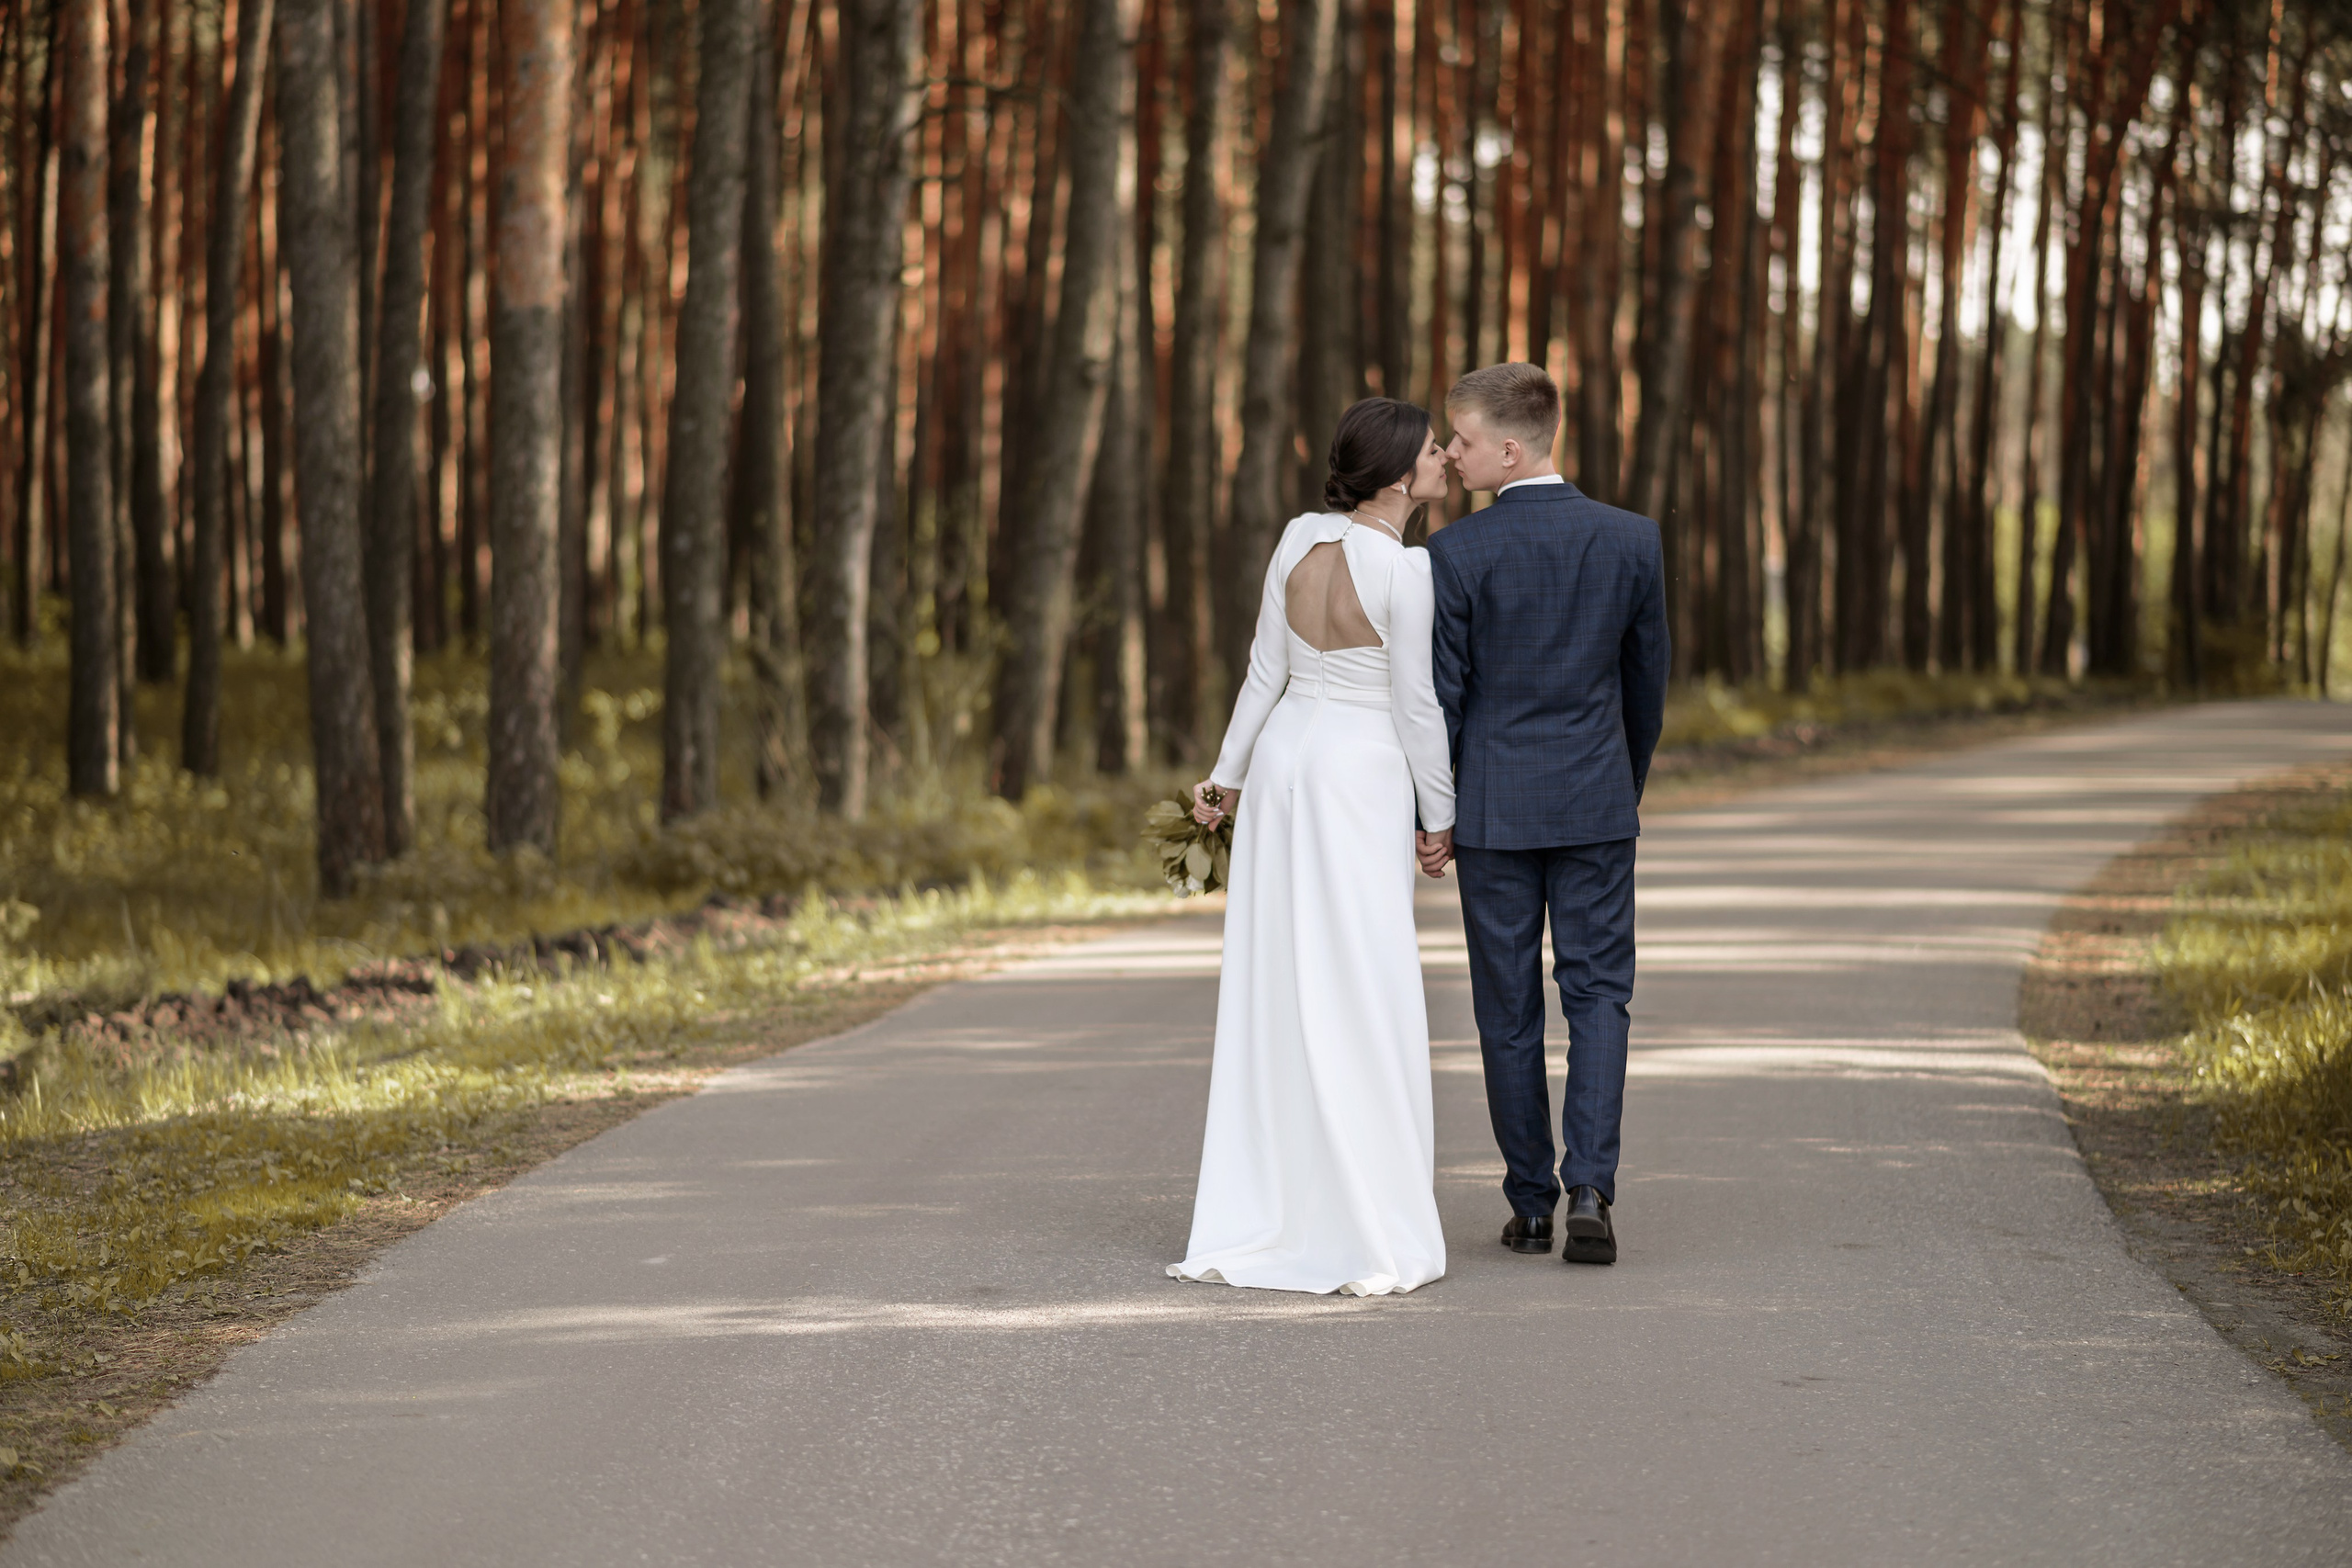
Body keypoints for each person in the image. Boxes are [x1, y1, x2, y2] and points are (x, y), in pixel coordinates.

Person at [1166, 399, 1457, 1296]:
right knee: (1360, 974)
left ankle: (1272, 1197)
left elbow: (1264, 670)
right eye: (1433, 450)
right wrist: (1439, 814)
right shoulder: (1404, 570)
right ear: (1401, 474)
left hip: (1287, 758)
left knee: (1279, 971)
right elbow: (1414, 707)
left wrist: (1225, 778)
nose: (1445, 458)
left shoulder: (1296, 538)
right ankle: (1365, 1211)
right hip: (1357, 771)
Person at [1420, 362, 1669, 1266]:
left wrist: (1435, 812)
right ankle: (1590, 1189)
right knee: (1601, 995)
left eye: (1465, 440)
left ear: (1510, 448)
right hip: (1596, 800)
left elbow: (1441, 700)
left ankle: (1529, 1202)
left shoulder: (1452, 556)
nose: (1452, 455)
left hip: (1491, 812)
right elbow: (1647, 688)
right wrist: (1619, 783)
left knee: (1506, 1007)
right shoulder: (1632, 541)